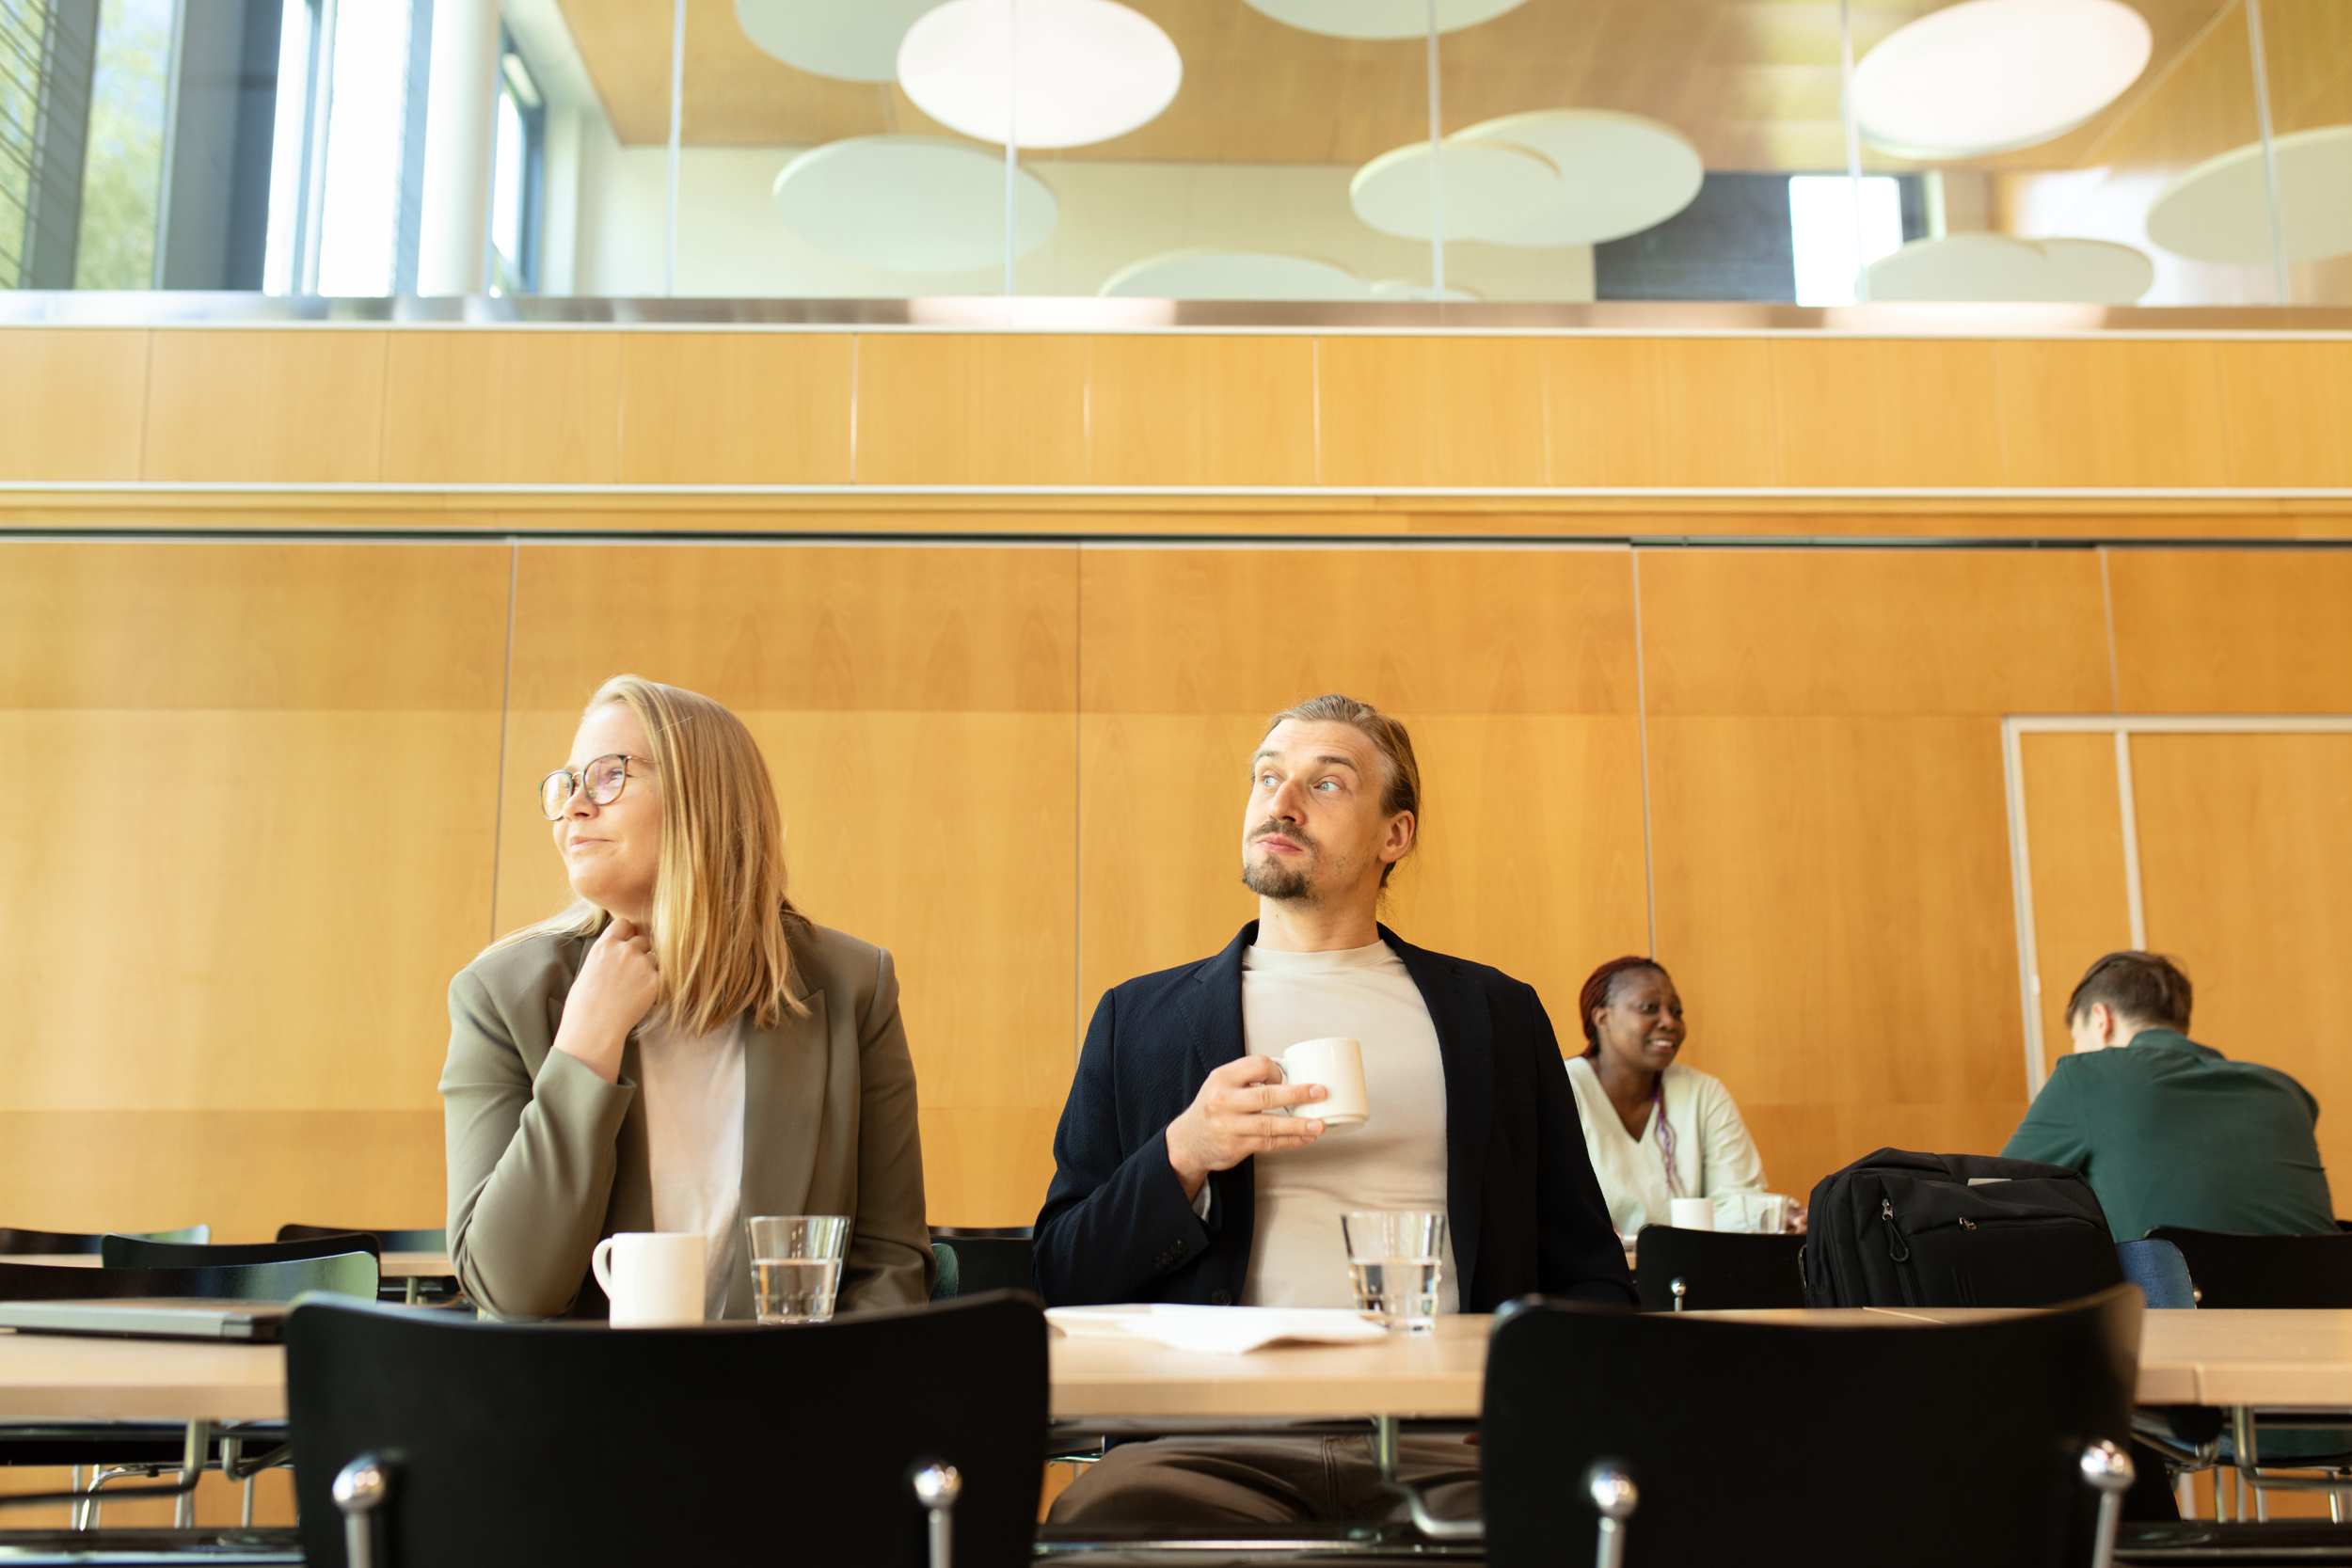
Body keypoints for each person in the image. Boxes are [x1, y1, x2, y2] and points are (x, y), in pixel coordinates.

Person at [1035, 693, 1629, 1525]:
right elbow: (1060, 1274)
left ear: (1396, 836)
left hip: (1456, 1446)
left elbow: (1591, 1276)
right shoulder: (1139, 1021)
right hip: (1206, 1443)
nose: (1281, 801)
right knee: (1106, 1520)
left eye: (1327, 783)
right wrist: (1184, 1152)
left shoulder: (1495, 1016)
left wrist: (1537, 1411)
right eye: (1268, 777)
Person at [440, 675, 932, 1320]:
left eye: (608, 775)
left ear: (707, 798)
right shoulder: (499, 996)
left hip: (792, 1408)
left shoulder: (853, 987)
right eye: (567, 784)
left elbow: (888, 1263)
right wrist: (583, 1051)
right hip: (580, 1410)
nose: (574, 808)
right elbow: (512, 1288)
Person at [2003, 951, 2334, 1242]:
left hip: (2176, 1307)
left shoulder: (2089, 1074)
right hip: (2323, 1305)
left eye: (2078, 1037)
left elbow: (1993, 1194)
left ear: (2101, 1019)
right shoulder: (2287, 1092)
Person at [1565, 956, 1784, 1238]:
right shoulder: (1562, 1089)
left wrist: (1779, 1215)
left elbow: (1735, 1200)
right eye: (1649, 1008)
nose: (1669, 1022)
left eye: (1677, 1012)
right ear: (1602, 1018)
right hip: (1592, 1275)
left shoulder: (1703, 1092)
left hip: (1690, 1271)